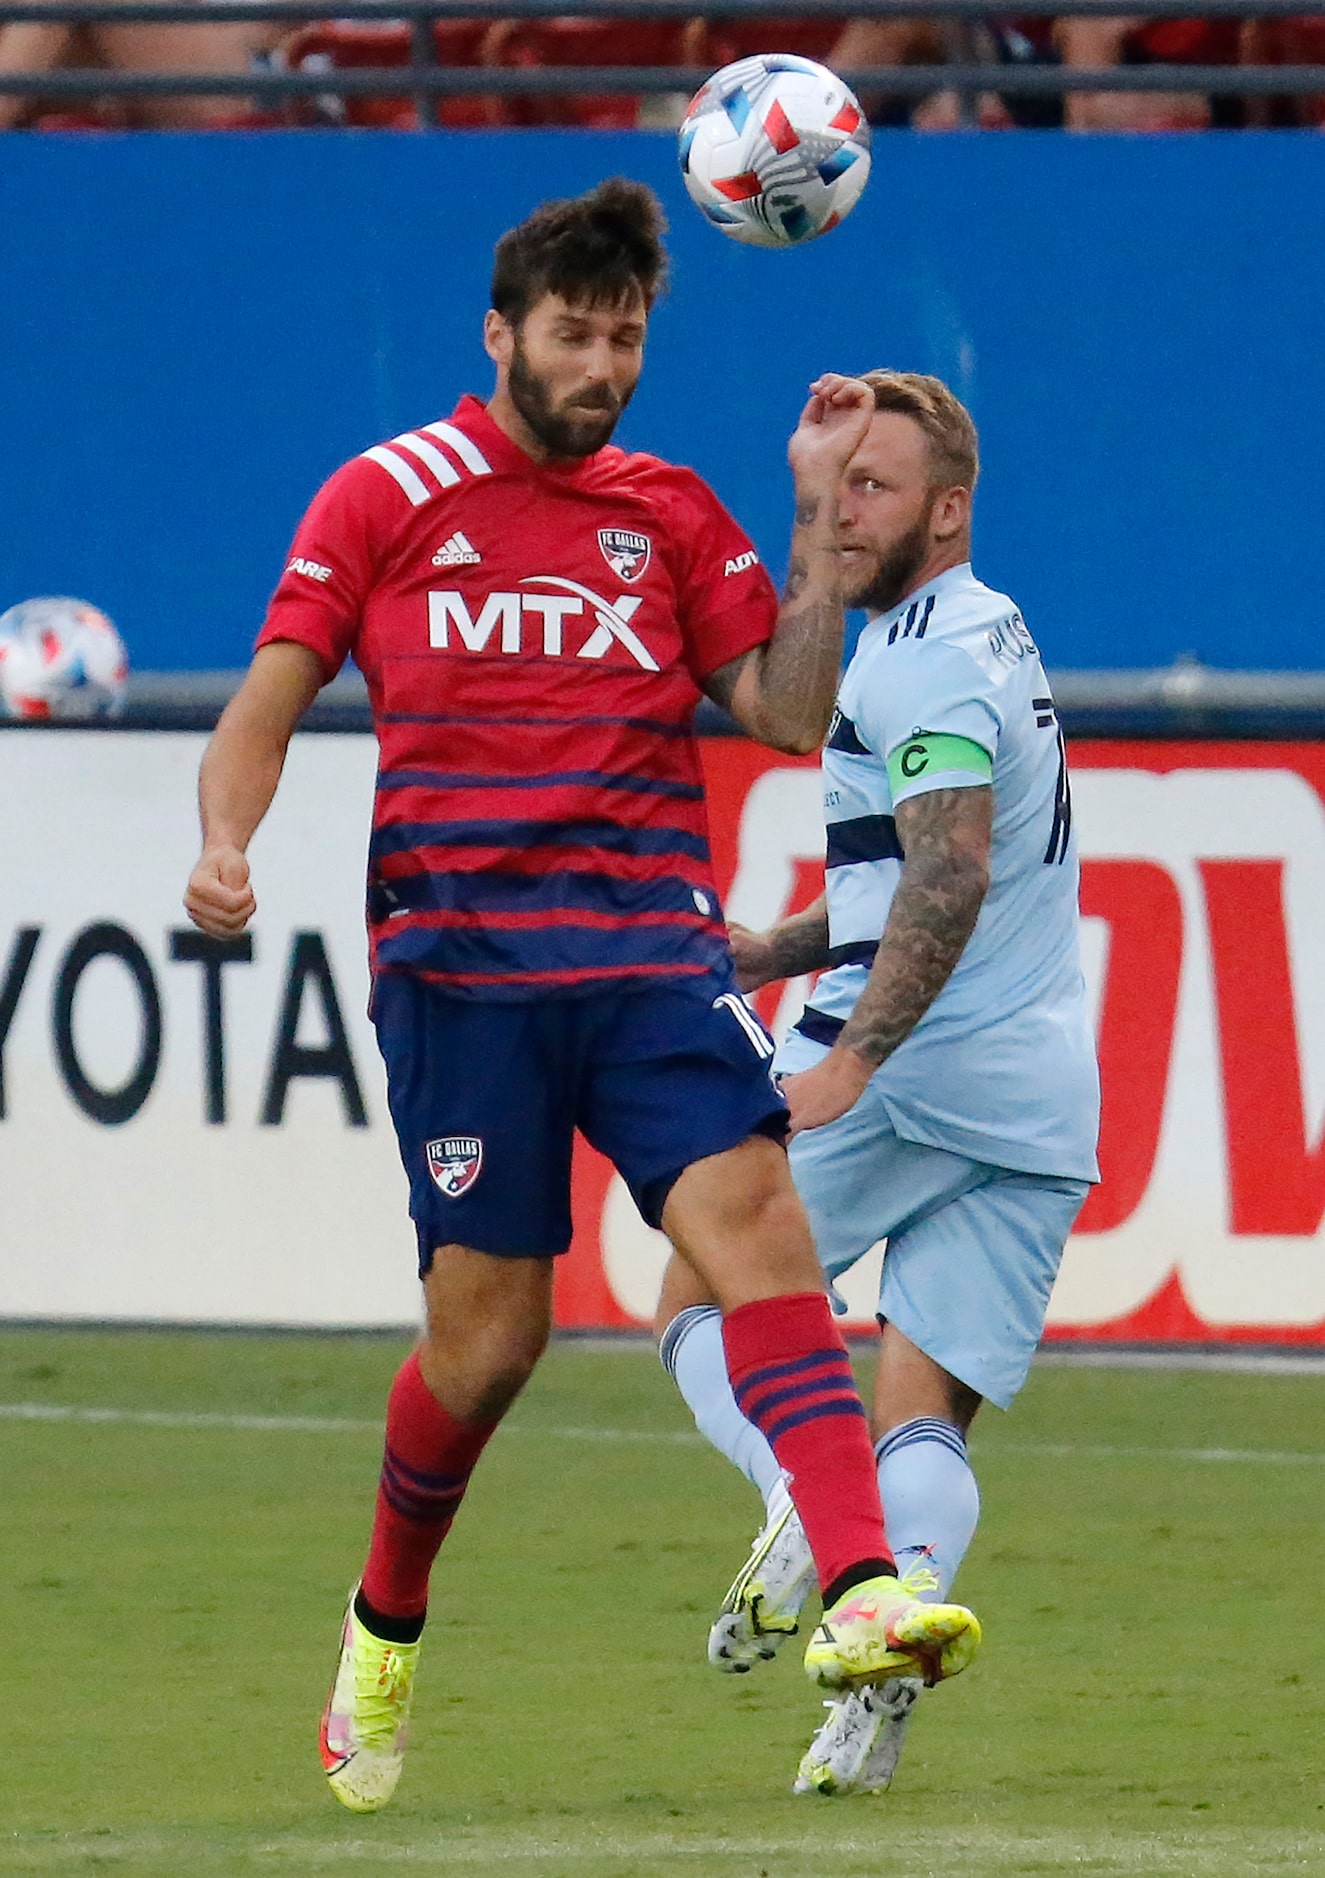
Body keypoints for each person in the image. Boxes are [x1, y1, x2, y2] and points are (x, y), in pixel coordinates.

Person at [183, 184, 981, 1814]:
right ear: (500, 334)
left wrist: (822, 539)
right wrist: (222, 841)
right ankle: (384, 1620)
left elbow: (776, 707)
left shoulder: (672, 512)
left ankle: (857, 1592)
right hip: (463, 976)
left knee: (755, 1218)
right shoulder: (386, 495)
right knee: (488, 1348)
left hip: (643, 958)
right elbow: (270, 692)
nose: (600, 364)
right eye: (572, 335)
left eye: (624, 338)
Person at [655, 369, 1100, 1795]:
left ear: (945, 508)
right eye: (837, 483)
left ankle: (802, 1488)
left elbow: (951, 868)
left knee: (696, 1292)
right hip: (1036, 1091)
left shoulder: (912, 657)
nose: (847, 511)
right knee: (921, 1407)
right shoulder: (983, 628)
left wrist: (850, 1053)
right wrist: (767, 947)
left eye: (877, 486)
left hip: (909, 1069)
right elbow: (912, 867)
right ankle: (877, 1698)